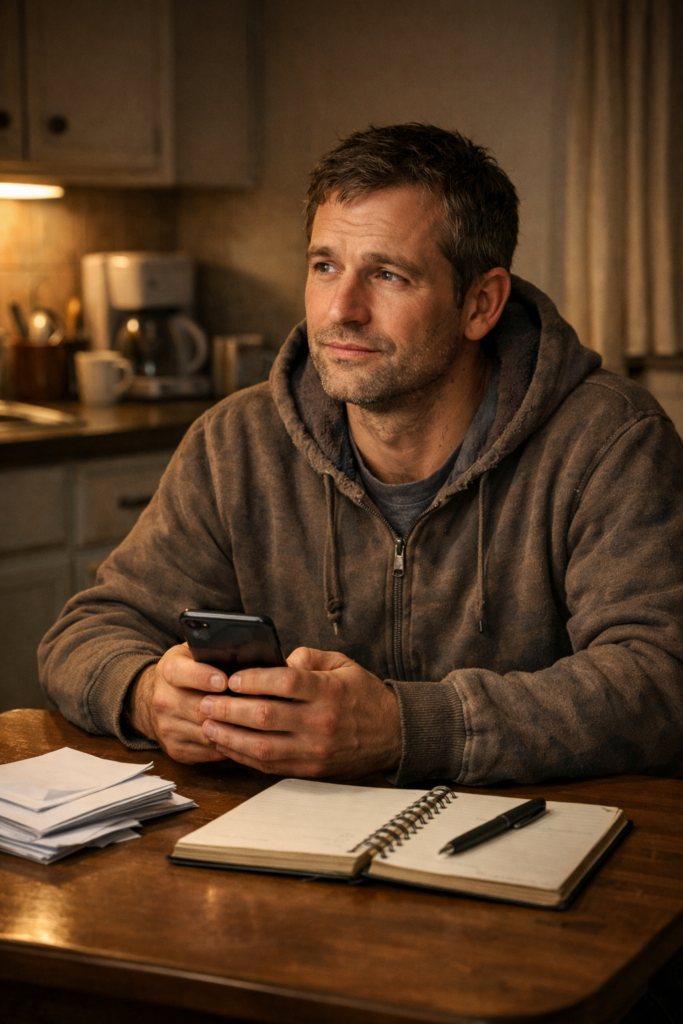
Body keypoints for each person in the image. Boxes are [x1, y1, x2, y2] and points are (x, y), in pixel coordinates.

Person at [39, 123, 683, 786]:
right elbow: (88, 631)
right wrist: (149, 694)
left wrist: (404, 729)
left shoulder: (609, 441)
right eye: (324, 267)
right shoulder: (235, 442)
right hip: (285, 850)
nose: (341, 310)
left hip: (544, 853)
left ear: (480, 303)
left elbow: (658, 678)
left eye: (387, 275)